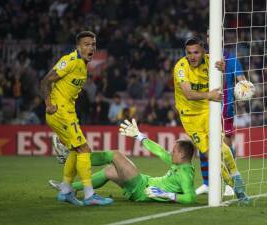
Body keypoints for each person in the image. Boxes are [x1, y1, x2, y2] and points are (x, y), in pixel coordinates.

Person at [40, 31, 113, 206]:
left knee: (75, 150)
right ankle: (89, 195)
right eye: (87, 44)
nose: (91, 47)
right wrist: (48, 104)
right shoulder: (71, 61)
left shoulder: (83, 64)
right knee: (84, 150)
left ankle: (65, 191)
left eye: (93, 44)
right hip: (60, 112)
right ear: (78, 47)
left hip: (68, 113)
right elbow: (45, 80)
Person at [173, 37, 249, 203]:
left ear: (203, 52)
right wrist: (210, 95)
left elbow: (220, 84)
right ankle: (234, 186)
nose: (192, 56)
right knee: (209, 155)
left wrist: (222, 72)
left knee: (221, 146)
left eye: (196, 52)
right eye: (189, 53)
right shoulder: (180, 67)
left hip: (208, 111)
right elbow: (188, 94)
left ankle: (237, 182)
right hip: (190, 117)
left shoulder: (211, 62)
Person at [49, 119, 197, 204]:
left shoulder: (185, 174)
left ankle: (77, 157)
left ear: (183, 155)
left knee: (115, 155)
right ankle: (68, 187)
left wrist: (167, 195)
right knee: (109, 171)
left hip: (141, 189)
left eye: (175, 151)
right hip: (143, 183)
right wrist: (139, 136)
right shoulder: (178, 163)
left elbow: (191, 198)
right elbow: (159, 151)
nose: (171, 152)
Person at [196, 31, 248, 196]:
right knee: (202, 144)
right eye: (209, 35)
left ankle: (230, 184)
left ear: (221, 38)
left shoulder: (231, 58)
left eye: (215, 35)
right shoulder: (202, 58)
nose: (211, 38)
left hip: (226, 106)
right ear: (207, 38)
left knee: (225, 144)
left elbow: (242, 81)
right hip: (205, 106)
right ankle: (207, 183)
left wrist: (245, 88)